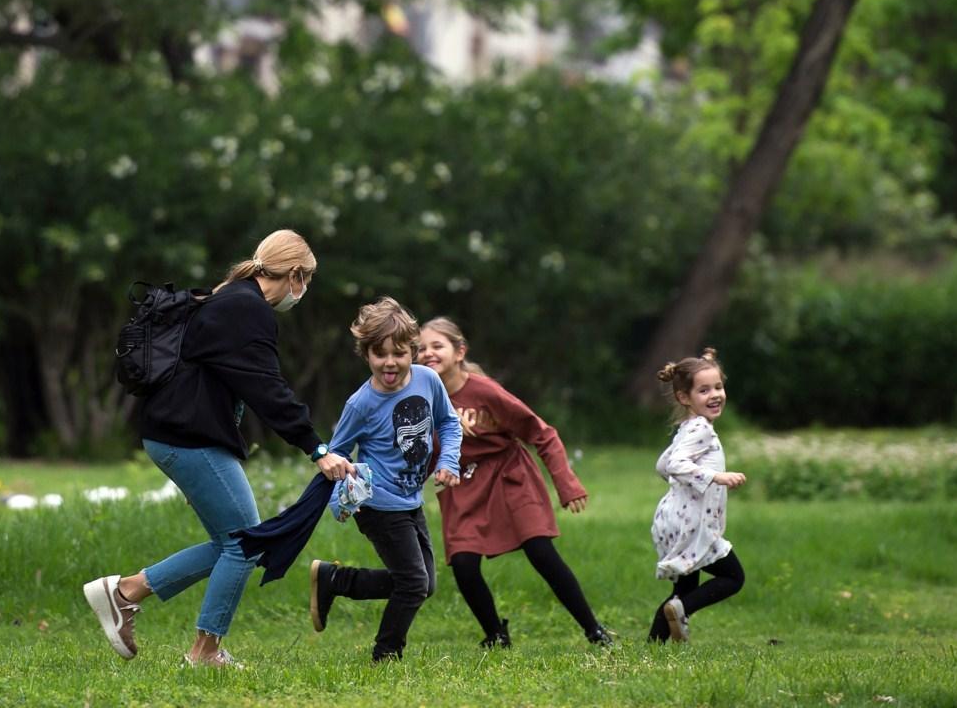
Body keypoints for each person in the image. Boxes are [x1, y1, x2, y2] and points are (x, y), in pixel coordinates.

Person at [83, 229, 352, 667]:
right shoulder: (247, 310)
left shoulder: (233, 297)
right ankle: (204, 650)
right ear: (297, 275)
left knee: (231, 541)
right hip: (185, 437)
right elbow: (269, 390)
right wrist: (317, 449)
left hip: (177, 434)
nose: (303, 291)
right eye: (307, 281)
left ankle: (125, 592)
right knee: (245, 543)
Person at [417, 317, 613, 648]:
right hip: (465, 485)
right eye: (420, 348)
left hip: (510, 477)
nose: (428, 354)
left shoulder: (485, 391)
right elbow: (421, 453)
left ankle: (593, 629)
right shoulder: (421, 398)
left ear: (460, 351)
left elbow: (542, 433)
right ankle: (495, 634)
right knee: (463, 563)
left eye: (437, 346)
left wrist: (566, 484)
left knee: (540, 551)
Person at [307, 297, 462, 662]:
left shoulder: (427, 379)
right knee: (413, 584)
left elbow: (449, 423)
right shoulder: (360, 404)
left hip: (411, 499)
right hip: (377, 504)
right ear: (366, 355)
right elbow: (336, 456)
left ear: (413, 351)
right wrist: (338, 501)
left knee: (425, 584)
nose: (390, 362)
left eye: (399, 353)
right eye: (380, 354)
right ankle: (386, 653)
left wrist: (449, 461)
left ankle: (335, 581)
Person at [647, 347, 746, 643]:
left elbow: (663, 465)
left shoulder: (688, 427)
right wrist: (716, 477)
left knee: (683, 592)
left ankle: (652, 647)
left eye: (718, 386)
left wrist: (683, 483)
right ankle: (682, 610)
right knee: (733, 577)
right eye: (704, 390)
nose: (715, 394)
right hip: (693, 525)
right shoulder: (700, 429)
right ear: (684, 397)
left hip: (675, 520)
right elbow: (675, 465)